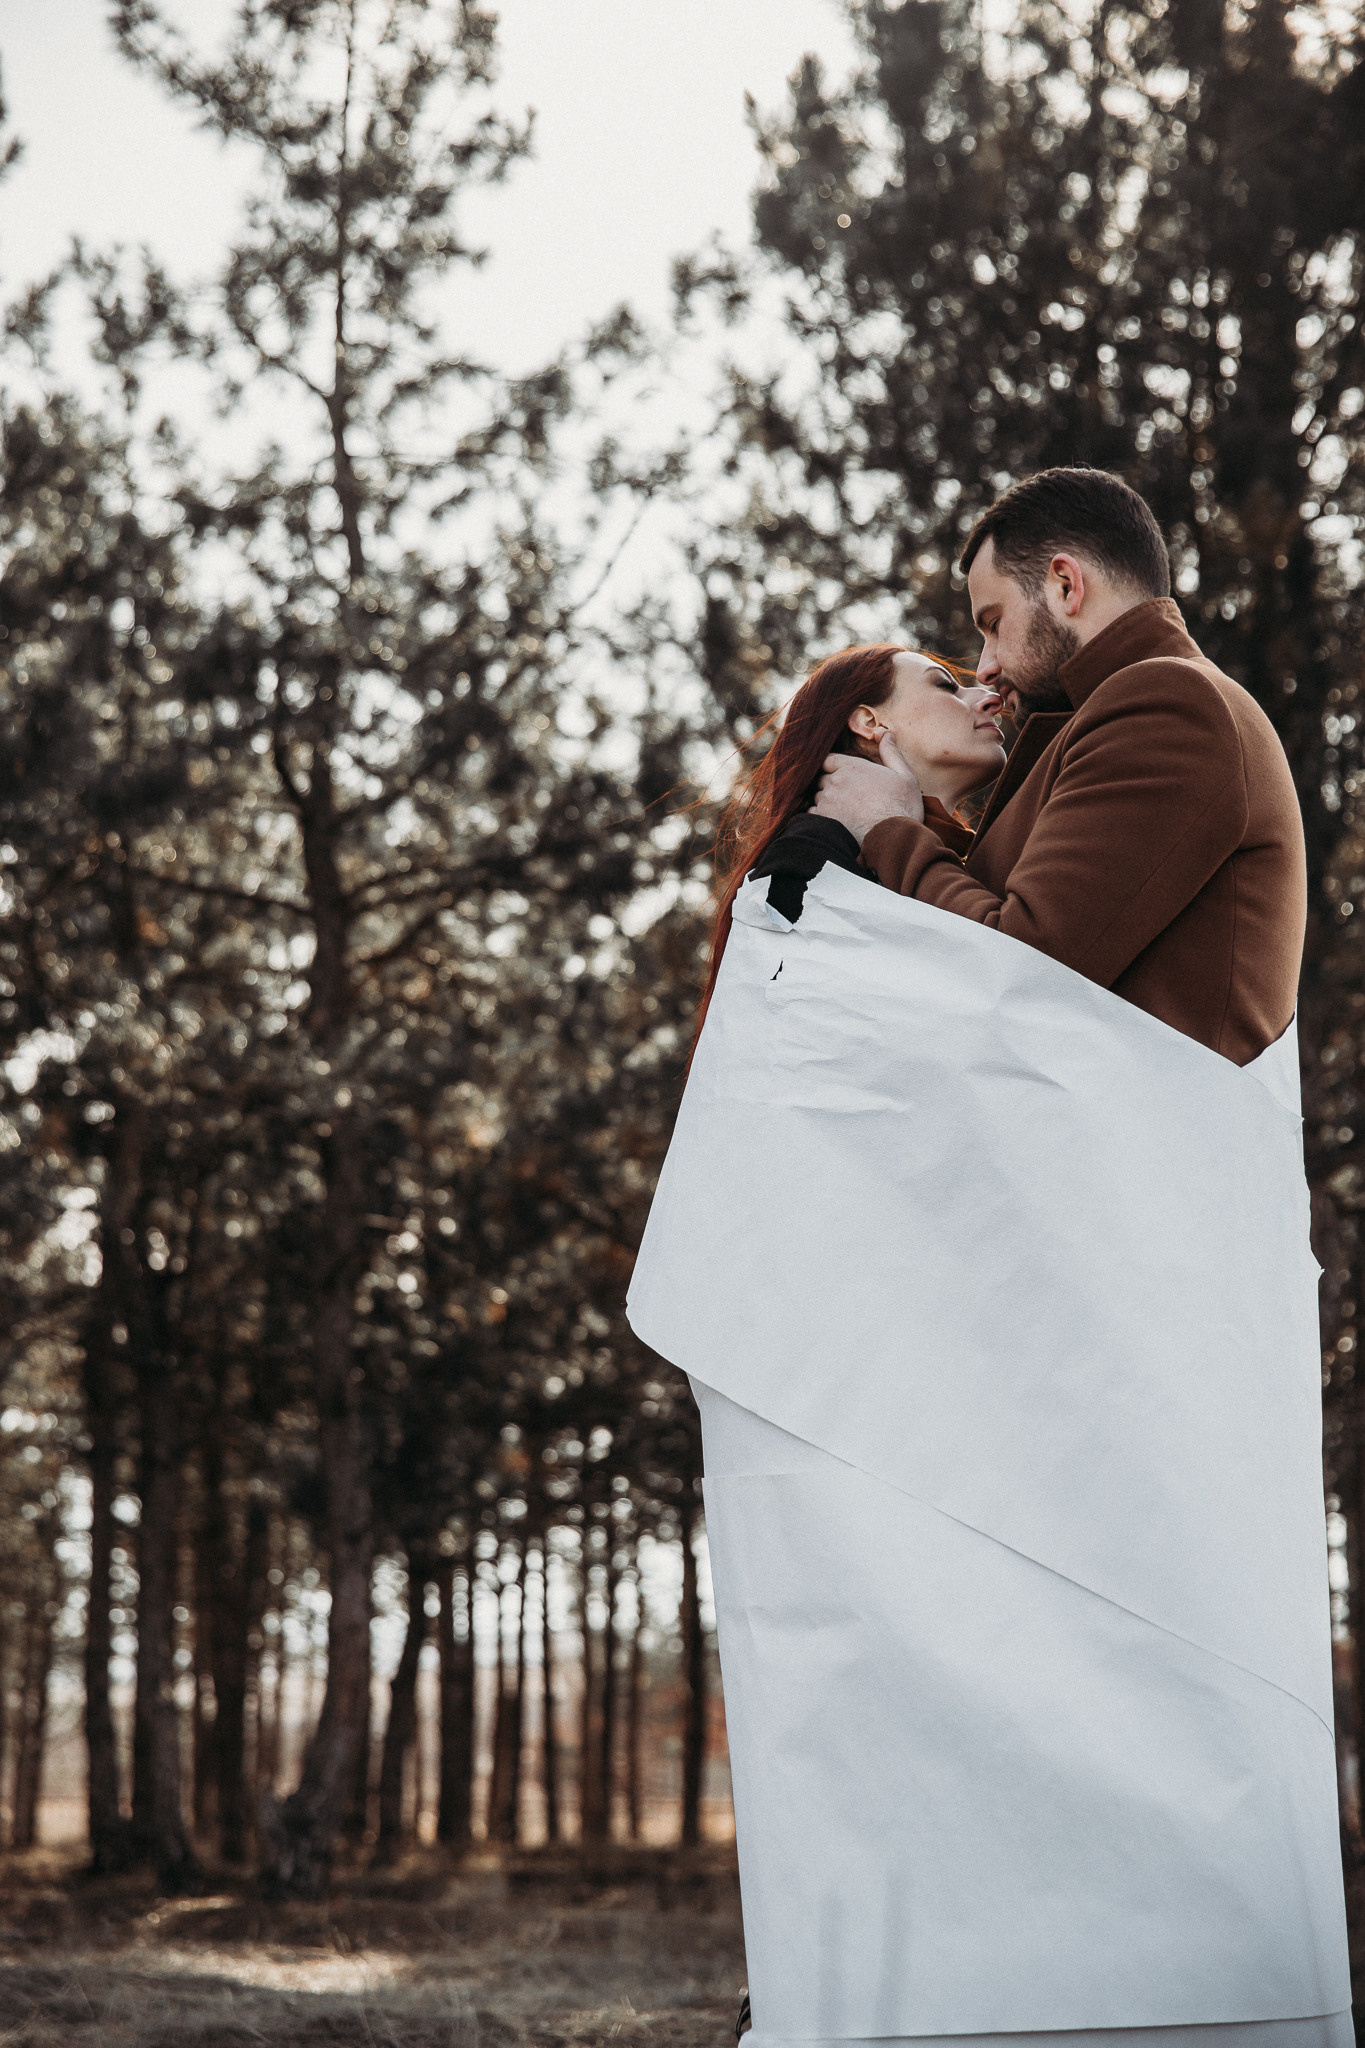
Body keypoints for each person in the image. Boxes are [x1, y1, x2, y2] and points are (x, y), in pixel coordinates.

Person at [811, 466, 1306, 1066]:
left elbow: (1025, 971)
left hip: (1139, 1125)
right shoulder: (1116, 717)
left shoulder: (1167, 703)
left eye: (994, 623)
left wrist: (890, 830)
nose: (985, 666)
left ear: (1066, 586)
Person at [699, 642, 1005, 1026]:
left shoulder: (986, 861)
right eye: (946, 687)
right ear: (870, 723)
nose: (991, 699)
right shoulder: (808, 860)